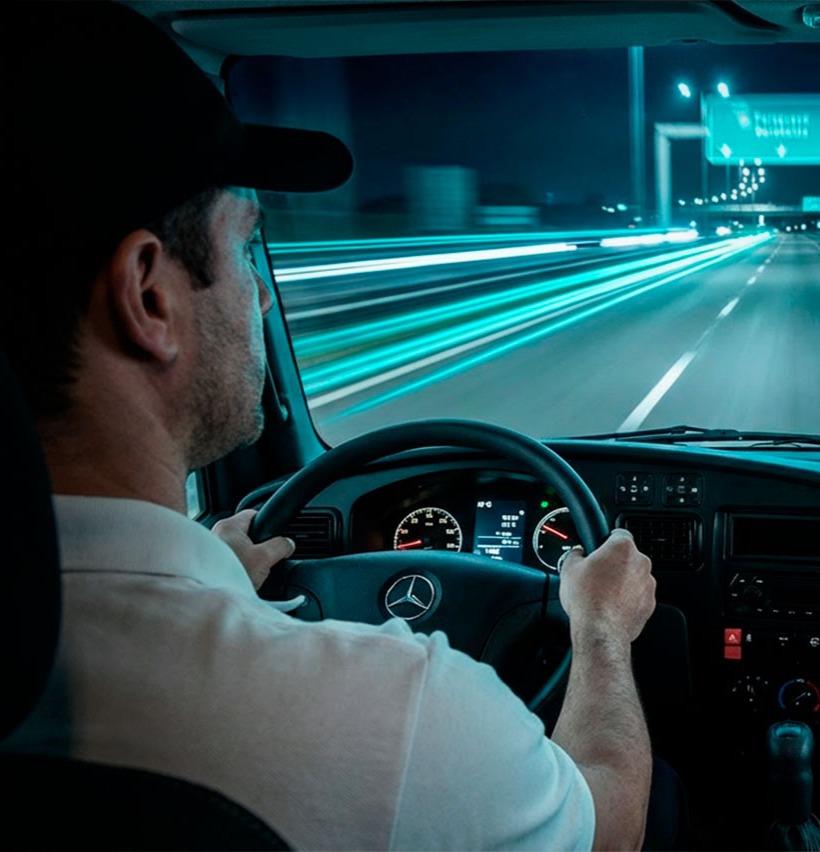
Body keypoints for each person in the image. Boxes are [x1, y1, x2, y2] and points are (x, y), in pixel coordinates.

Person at [1, 2, 661, 849]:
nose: (263, 294)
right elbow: (611, 825)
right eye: (245, 251)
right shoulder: (401, 714)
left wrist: (213, 577)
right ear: (149, 297)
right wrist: (602, 630)